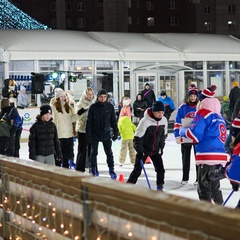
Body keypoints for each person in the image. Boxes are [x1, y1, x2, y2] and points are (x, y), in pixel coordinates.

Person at [180, 94, 228, 204]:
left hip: (207, 156)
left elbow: (195, 134)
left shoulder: (203, 113)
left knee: (203, 189)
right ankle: (220, 214)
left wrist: (182, 131)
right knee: (215, 188)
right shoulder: (219, 116)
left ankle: (207, 216)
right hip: (220, 156)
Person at [126, 101, 168, 191]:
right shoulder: (145, 121)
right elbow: (137, 137)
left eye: (162, 112)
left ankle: (160, 188)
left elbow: (163, 136)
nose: (160, 114)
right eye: (158, 112)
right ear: (153, 111)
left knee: (160, 170)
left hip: (156, 149)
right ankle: (127, 188)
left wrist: (161, 147)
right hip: (144, 149)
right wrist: (140, 150)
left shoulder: (164, 120)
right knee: (137, 170)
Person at [86, 89, 118, 179]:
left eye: (104, 97)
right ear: (98, 97)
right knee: (93, 152)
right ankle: (93, 169)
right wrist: (88, 135)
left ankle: (111, 169)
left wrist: (116, 132)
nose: (103, 98)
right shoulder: (93, 107)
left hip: (106, 133)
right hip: (95, 133)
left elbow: (113, 121)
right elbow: (89, 122)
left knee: (109, 152)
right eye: (101, 97)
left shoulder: (110, 107)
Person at [174, 84, 199, 185]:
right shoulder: (183, 107)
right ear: (188, 97)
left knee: (199, 159)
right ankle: (185, 178)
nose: (193, 98)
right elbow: (177, 122)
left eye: (194, 96)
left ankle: (198, 178)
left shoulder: (200, 106)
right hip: (185, 136)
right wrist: (177, 135)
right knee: (185, 158)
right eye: (191, 96)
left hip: (197, 137)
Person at [50, 88, 79, 168]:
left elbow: (71, 119)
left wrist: (79, 114)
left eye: (64, 96)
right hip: (59, 136)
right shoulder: (53, 107)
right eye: (61, 96)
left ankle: (66, 172)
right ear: (57, 97)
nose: (63, 98)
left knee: (66, 157)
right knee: (59, 157)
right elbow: (53, 121)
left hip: (68, 135)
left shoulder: (67, 107)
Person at [75, 87, 95, 172]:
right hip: (82, 130)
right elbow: (77, 115)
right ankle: (79, 169)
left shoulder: (94, 103)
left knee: (92, 150)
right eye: (89, 94)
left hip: (91, 130)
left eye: (91, 94)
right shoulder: (80, 103)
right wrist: (85, 110)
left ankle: (92, 168)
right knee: (82, 150)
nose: (90, 96)